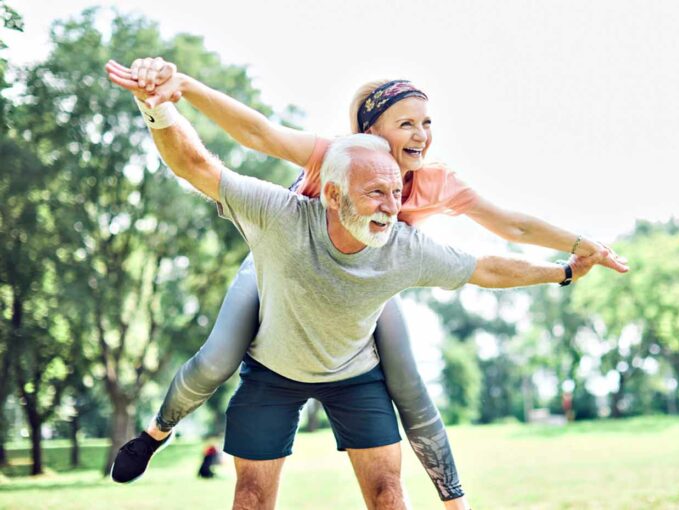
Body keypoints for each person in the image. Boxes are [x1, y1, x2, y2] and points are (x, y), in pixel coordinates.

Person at [105, 58, 628, 508]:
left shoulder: (433, 183)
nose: (422, 134)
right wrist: (183, 89)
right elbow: (258, 135)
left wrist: (576, 250)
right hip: (284, 271)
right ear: (372, 131)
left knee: (410, 388)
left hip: (371, 281)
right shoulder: (332, 157)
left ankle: (456, 500)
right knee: (217, 359)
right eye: (407, 123)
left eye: (427, 121)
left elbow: (508, 229)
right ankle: (156, 433)